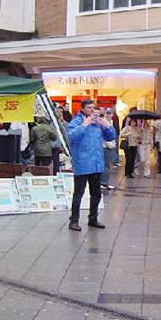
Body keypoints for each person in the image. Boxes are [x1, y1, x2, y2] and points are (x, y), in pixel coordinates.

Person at [67, 98, 116, 232]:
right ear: (82, 109)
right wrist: (84, 125)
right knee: (79, 193)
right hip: (82, 163)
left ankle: (93, 218)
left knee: (96, 194)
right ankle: (74, 220)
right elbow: (71, 137)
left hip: (96, 163)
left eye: (93, 108)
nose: (92, 110)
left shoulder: (97, 123)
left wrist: (107, 125)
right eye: (89, 108)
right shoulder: (76, 122)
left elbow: (111, 137)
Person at [101, 109, 118, 189]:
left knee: (107, 165)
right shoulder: (103, 123)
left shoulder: (111, 122)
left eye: (110, 114)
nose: (108, 115)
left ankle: (105, 182)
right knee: (105, 165)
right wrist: (109, 144)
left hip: (110, 147)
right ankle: (103, 182)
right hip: (106, 147)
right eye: (107, 114)